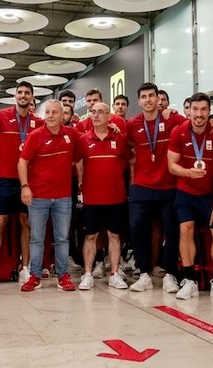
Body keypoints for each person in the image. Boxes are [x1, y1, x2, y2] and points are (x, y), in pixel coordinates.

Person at [168, 92, 213, 300]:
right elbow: (171, 165)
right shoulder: (179, 131)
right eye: (195, 109)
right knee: (185, 229)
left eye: (203, 109)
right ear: (189, 110)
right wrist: (188, 173)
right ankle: (189, 279)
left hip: (210, 195)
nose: (199, 114)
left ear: (209, 111)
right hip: (185, 192)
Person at [0, 82, 43, 288]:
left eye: (27, 93)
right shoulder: (0, 116)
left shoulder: (39, 122)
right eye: (20, 92)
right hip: (5, 178)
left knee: (27, 223)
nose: (23, 95)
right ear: (15, 95)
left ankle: (25, 268)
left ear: (32, 97)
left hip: (28, 180)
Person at [126, 82, 185, 293]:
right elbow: (123, 142)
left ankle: (170, 274)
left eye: (152, 95)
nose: (148, 100)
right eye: (144, 96)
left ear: (158, 99)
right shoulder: (132, 124)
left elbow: (196, 123)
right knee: (136, 227)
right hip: (141, 186)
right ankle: (143, 273)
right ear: (139, 101)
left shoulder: (173, 119)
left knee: (172, 230)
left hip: (169, 185)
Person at [18, 100, 78, 292]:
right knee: (36, 238)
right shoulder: (36, 136)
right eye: (48, 112)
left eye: (55, 112)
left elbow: (87, 145)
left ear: (63, 116)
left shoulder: (71, 135)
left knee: (62, 238)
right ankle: (35, 276)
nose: (50, 115)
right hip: (38, 197)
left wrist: (110, 124)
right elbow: (22, 163)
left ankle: (63, 276)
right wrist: (25, 186)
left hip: (63, 197)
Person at [75, 102, 129, 290]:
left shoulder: (120, 139)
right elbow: (78, 164)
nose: (96, 115)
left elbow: (129, 161)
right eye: (93, 112)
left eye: (100, 112)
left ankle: (114, 273)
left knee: (114, 235)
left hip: (116, 197)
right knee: (90, 236)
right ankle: (88, 274)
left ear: (109, 116)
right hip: (92, 197)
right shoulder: (83, 140)